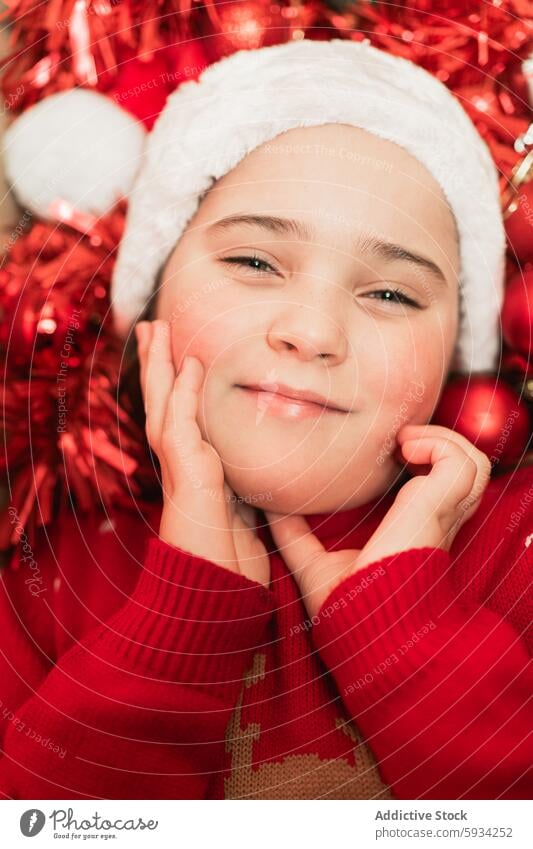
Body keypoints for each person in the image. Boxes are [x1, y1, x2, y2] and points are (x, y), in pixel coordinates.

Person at [0, 38, 531, 801]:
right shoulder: (47, 584)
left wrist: (407, 632)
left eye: (389, 295)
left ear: (453, 353)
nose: (311, 332)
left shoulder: (518, 552)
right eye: (253, 262)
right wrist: (177, 627)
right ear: (148, 301)